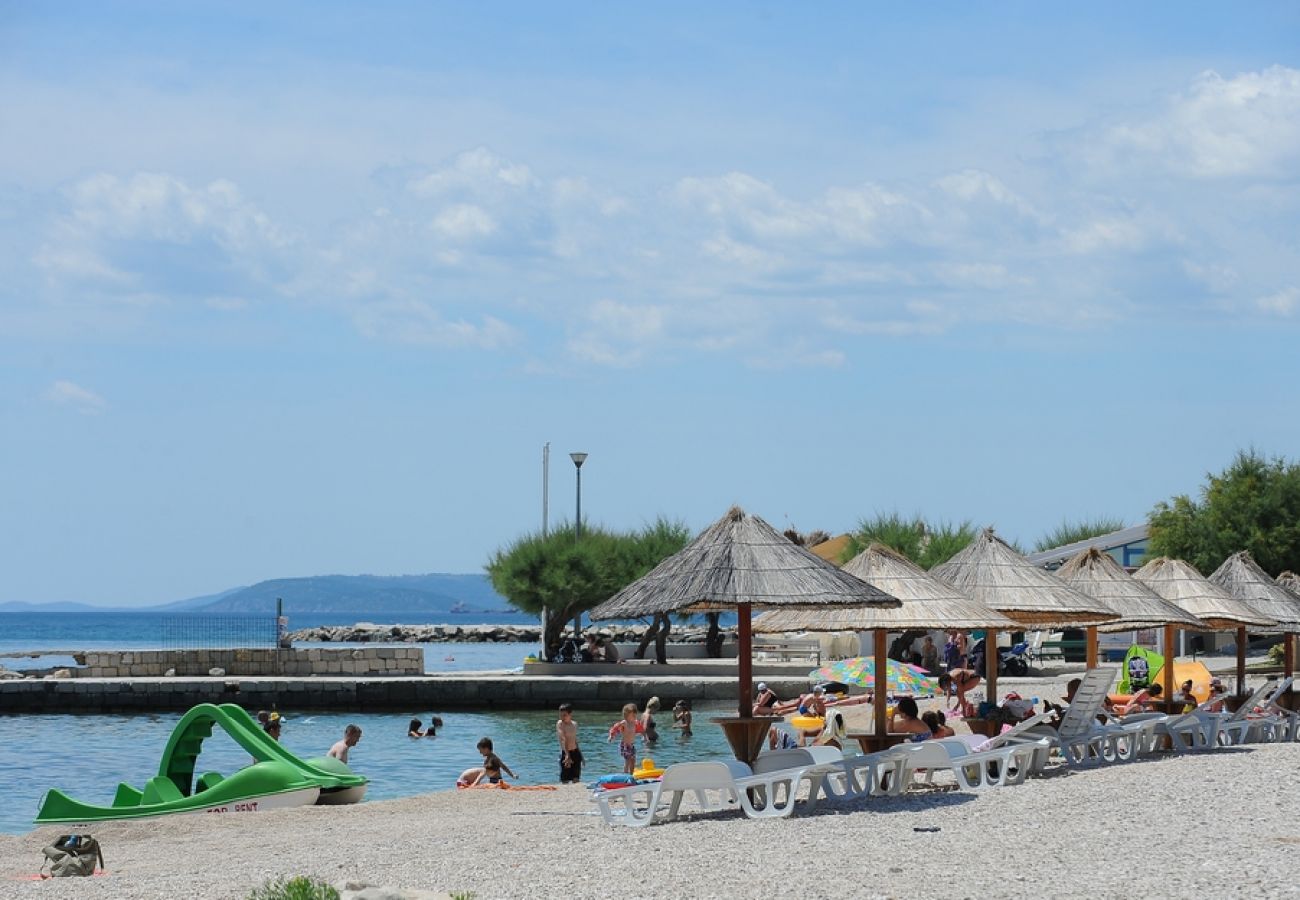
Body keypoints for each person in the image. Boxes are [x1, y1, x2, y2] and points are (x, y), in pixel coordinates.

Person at [609, 703, 641, 775]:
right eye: (633, 715)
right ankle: (625, 775)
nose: (635, 716)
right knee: (628, 760)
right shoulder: (624, 723)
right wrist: (611, 736)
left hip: (631, 745)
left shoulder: (635, 723)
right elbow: (615, 727)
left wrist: (645, 736)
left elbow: (641, 729)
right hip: (625, 745)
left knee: (633, 760)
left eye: (635, 715)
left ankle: (631, 775)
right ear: (626, 715)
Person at [557, 703, 582, 784]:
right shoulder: (560, 724)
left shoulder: (574, 724)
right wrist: (567, 755)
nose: (562, 717)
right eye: (561, 715)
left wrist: (581, 755)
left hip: (575, 752)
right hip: (565, 752)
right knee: (565, 779)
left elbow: (575, 740)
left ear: (570, 714)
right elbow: (563, 739)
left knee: (576, 778)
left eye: (564, 715)